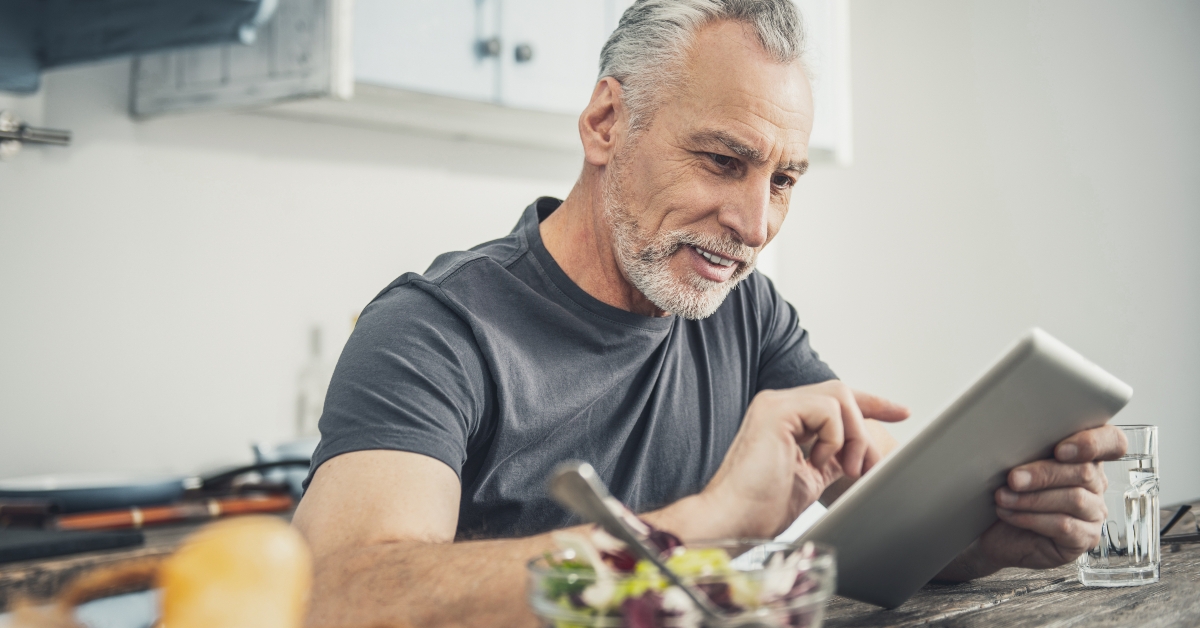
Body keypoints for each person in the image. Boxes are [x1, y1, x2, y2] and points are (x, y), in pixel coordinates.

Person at [293, 1, 1125, 626]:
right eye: (724, 160)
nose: (756, 225)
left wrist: (978, 539)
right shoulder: (434, 332)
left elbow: (862, 520)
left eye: (783, 179)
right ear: (605, 122)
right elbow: (337, 596)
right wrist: (706, 523)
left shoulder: (744, 310)